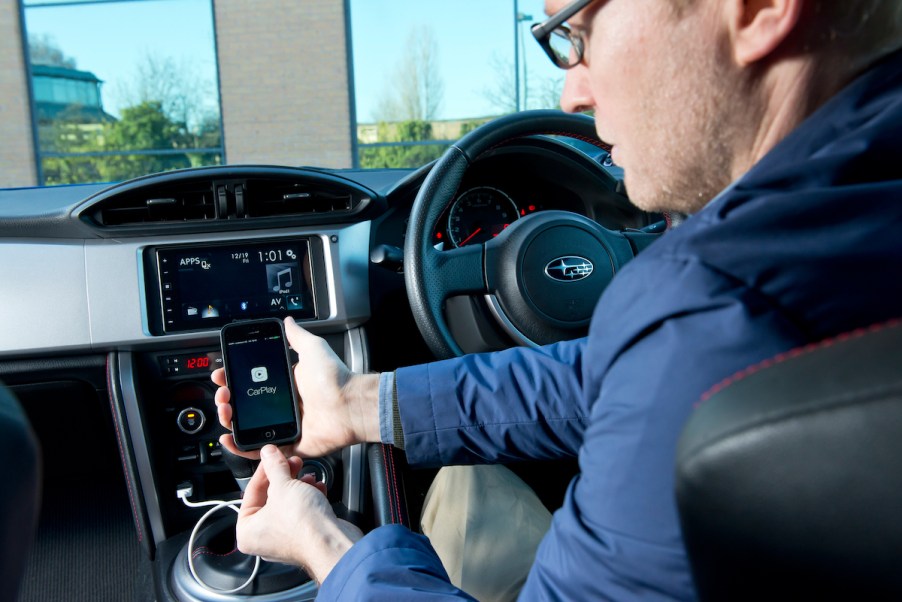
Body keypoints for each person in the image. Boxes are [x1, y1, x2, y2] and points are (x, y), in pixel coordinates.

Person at [212, 0, 902, 599]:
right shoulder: (828, 233)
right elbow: (611, 377)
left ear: (755, 9)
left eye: (577, 34)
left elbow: (665, 361)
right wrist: (357, 403)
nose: (572, 94)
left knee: (462, 492)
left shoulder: (713, 303)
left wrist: (325, 546)